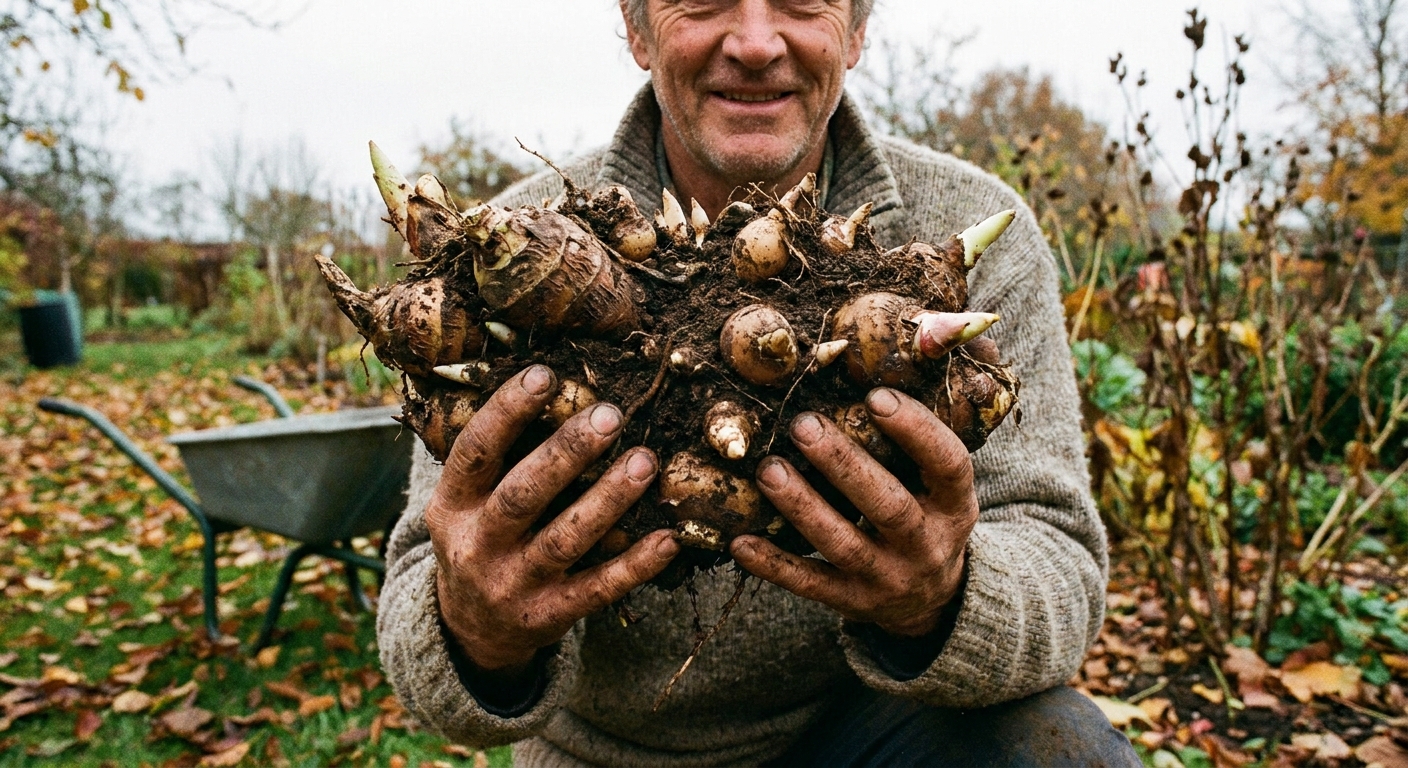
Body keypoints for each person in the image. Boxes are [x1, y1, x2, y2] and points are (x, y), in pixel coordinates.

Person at [377, 1, 1139, 765]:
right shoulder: (511, 250)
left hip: (884, 732)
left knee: (1062, 751)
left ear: (857, 29)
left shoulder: (971, 230)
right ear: (638, 30)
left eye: (801, 1)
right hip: (609, 755)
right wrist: (476, 628)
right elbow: (423, 585)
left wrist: (943, 601)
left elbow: (1058, 555)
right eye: (704, 0)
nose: (753, 44)